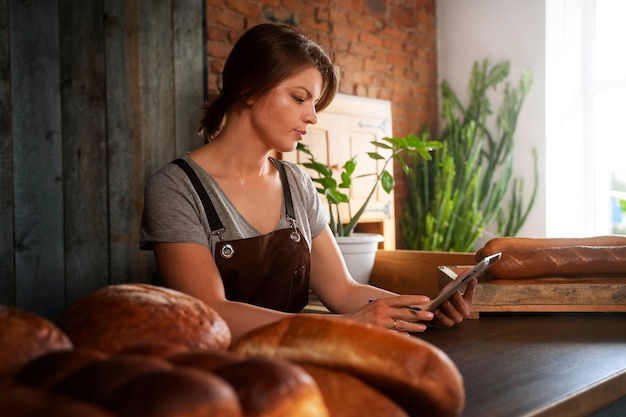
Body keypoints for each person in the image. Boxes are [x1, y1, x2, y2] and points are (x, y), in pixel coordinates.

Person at [140, 23, 476, 342]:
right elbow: (211, 312)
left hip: (301, 361)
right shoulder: (175, 188)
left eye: (315, 104)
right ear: (248, 88)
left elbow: (343, 290)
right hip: (221, 378)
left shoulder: (296, 182)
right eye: (300, 98)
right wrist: (343, 326)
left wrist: (425, 309)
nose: (313, 116)